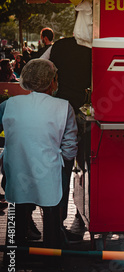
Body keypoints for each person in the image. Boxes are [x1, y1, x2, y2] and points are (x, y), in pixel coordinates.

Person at [0, 59, 78, 246]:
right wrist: (63, 165)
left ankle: (14, 255)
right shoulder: (64, 107)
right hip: (49, 171)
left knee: (18, 208)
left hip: (16, 170)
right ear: (52, 82)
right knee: (51, 210)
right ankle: (52, 254)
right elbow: (70, 148)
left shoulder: (8, 105)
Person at [50, 35, 92, 235]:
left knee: (65, 169)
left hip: (61, 108)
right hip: (87, 111)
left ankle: (59, 220)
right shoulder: (93, 46)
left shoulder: (60, 45)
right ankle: (84, 210)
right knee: (88, 167)